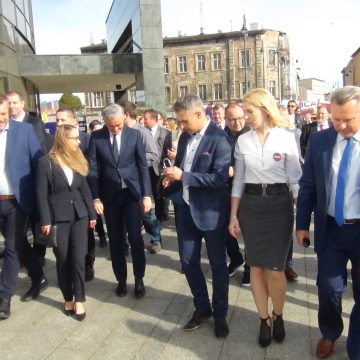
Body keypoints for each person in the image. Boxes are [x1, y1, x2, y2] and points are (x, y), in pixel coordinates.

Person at [229, 89, 302, 347]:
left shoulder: (285, 137)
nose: (246, 117)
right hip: (250, 206)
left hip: (279, 205)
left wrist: (300, 217)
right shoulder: (242, 141)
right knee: (256, 266)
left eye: (250, 111)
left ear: (264, 109)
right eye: (244, 111)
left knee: (276, 269)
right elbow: (237, 180)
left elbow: (295, 179)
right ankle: (264, 319)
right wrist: (233, 215)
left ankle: (278, 314)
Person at [296, 86, 360, 360]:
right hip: (331, 229)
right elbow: (308, 185)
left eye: (349, 119)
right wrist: (301, 224)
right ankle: (330, 332)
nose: (342, 125)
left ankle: (356, 348)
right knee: (329, 287)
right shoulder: (320, 141)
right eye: (336, 119)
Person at [162, 95, 231, 339]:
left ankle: (221, 314)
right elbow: (182, 166)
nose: (181, 126)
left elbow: (219, 179)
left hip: (211, 212)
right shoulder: (184, 137)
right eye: (179, 122)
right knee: (188, 262)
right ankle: (202, 307)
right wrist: (172, 177)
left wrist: (184, 176)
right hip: (185, 210)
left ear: (200, 114)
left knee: (218, 265)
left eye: (184, 121)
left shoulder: (219, 139)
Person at [88, 103, 152, 299]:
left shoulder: (134, 135)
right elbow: (93, 170)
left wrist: (146, 195)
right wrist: (96, 197)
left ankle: (139, 279)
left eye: (118, 125)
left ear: (124, 117)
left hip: (131, 195)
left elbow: (142, 166)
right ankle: (121, 280)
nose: (116, 129)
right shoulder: (97, 138)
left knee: (135, 237)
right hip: (110, 197)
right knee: (115, 241)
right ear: (106, 122)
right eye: (111, 126)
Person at [36, 125, 96, 320]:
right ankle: (67, 297)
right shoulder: (46, 163)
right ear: (63, 139)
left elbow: (85, 189)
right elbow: (41, 195)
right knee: (63, 259)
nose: (79, 141)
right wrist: (45, 219)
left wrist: (92, 214)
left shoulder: (78, 158)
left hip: (80, 216)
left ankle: (79, 299)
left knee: (78, 259)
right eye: (75, 138)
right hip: (57, 218)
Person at [0, 94, 44, 319]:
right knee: (19, 245)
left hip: (17, 201)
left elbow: (39, 164)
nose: (0, 119)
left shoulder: (24, 131)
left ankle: (4, 298)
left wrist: (42, 200)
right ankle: (39, 276)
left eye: (3, 115)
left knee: (11, 248)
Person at [121, 101, 163, 254]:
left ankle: (155, 239)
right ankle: (124, 243)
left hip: (139, 180)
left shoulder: (142, 132)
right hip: (123, 182)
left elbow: (153, 154)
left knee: (146, 213)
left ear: (125, 115)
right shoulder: (120, 131)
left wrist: (133, 159)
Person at [223, 102, 250, 285]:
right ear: (226, 119)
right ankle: (235, 258)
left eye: (239, 118)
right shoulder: (219, 136)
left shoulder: (252, 134)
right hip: (225, 188)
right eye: (232, 119)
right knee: (226, 227)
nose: (236, 122)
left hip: (248, 189)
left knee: (248, 229)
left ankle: (249, 267)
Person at [143, 109, 172, 227]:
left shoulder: (165, 133)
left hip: (159, 169)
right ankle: (146, 219)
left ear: (154, 119)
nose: (144, 121)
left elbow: (168, 151)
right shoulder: (142, 132)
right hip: (146, 168)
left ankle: (159, 219)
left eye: (146, 118)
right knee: (146, 195)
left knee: (158, 195)